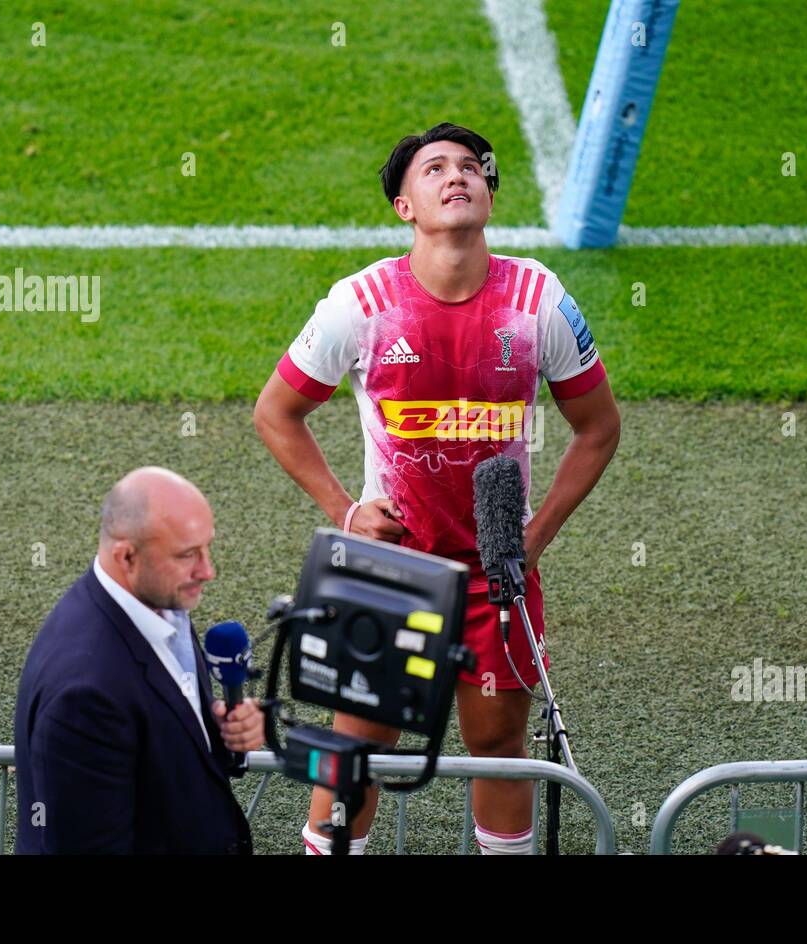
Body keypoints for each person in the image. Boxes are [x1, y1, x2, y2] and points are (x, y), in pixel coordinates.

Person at [253, 122, 621, 854]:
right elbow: (276, 414)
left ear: (487, 193)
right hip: (390, 572)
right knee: (356, 741)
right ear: (405, 208)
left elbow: (599, 427)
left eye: (469, 168)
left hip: (496, 578)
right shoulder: (359, 304)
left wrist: (534, 536)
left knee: (498, 743)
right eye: (434, 170)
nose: (457, 176)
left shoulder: (538, 298)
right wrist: (346, 511)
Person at [14, 467, 266, 853]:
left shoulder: (160, 604)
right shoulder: (83, 698)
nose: (208, 570)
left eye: (207, 548)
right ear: (127, 556)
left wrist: (211, 731)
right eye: (187, 555)